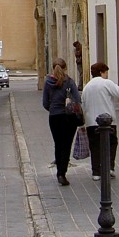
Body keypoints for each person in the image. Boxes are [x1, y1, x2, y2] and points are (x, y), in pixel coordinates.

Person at [81, 63, 119, 180]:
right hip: (108, 121)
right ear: (101, 72)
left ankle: (96, 172)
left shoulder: (87, 87)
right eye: (106, 72)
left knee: (95, 147)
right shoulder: (106, 83)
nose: (106, 75)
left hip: (91, 122)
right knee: (111, 144)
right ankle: (109, 167)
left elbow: (83, 105)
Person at [42, 58, 83, 186]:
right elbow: (77, 99)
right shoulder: (69, 82)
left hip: (54, 117)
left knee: (58, 144)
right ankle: (62, 173)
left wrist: (53, 109)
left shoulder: (48, 82)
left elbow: (45, 103)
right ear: (65, 68)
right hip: (69, 117)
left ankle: (59, 171)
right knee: (66, 145)